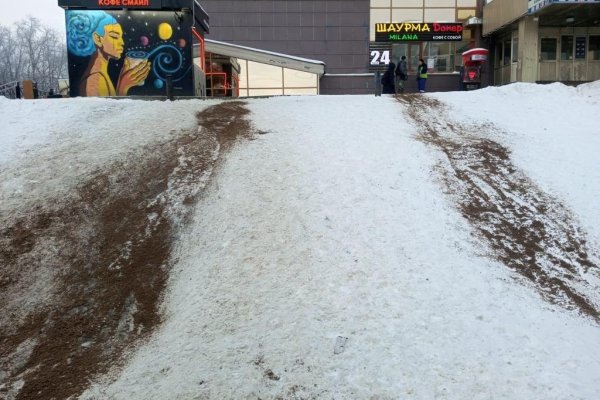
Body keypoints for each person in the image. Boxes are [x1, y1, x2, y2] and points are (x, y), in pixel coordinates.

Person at [66, 10, 150, 96]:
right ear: (98, 39)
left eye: (121, 37)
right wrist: (123, 86)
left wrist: (123, 78)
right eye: (115, 36)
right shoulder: (94, 80)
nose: (122, 42)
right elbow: (111, 109)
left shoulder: (101, 74)